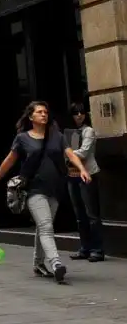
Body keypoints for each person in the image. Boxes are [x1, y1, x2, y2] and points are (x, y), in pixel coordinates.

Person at [0, 101, 91, 284]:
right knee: (45, 226)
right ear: (31, 117)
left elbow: (69, 153)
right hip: (34, 189)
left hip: (55, 188)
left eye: (45, 112)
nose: (43, 114)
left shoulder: (57, 136)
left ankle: (38, 263)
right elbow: (9, 161)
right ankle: (56, 263)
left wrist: (81, 169)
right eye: (39, 112)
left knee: (44, 226)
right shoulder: (22, 138)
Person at [64, 102, 104, 262]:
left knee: (92, 214)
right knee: (80, 215)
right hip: (72, 176)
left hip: (88, 175)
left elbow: (84, 152)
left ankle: (97, 250)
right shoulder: (69, 133)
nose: (79, 115)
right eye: (76, 113)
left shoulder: (89, 131)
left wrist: (66, 155)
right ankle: (85, 248)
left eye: (81, 112)